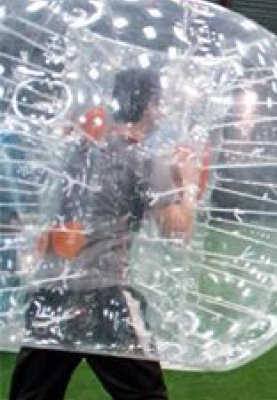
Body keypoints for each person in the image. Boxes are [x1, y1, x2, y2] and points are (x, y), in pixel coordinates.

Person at [10, 68, 201, 400]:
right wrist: (189, 183)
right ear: (150, 106)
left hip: (52, 289)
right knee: (145, 395)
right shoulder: (144, 160)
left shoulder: (80, 151)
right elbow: (177, 231)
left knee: (33, 395)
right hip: (103, 295)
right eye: (160, 104)